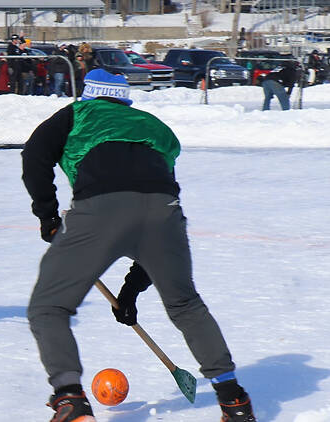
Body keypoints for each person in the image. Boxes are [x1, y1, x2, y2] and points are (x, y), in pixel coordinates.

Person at [21, 69, 256, 422]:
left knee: (48, 307)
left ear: (89, 94)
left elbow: (34, 156)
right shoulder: (154, 125)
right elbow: (148, 200)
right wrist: (129, 292)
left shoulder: (77, 113)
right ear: (124, 99)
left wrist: (48, 215)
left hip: (100, 209)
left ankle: (70, 400)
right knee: (185, 305)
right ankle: (234, 402)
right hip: (164, 212)